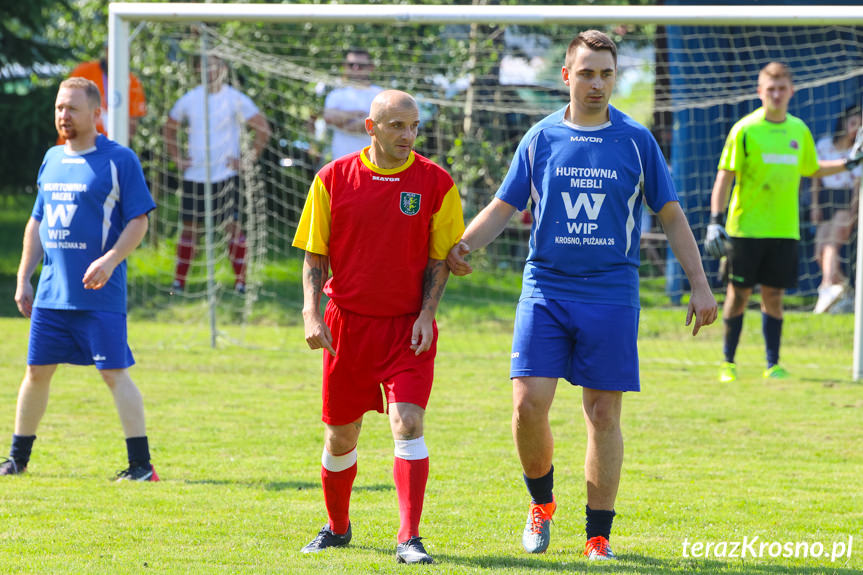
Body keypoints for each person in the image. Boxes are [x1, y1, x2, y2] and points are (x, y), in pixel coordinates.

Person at [447, 31, 717, 561]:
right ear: (566, 76)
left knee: (602, 415)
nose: (597, 83)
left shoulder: (638, 141)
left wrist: (700, 283)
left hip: (612, 294)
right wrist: (463, 244)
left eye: (606, 74)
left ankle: (598, 537)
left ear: (614, 78)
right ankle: (542, 504)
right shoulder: (541, 138)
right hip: (546, 288)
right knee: (528, 405)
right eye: (587, 72)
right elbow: (504, 206)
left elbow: (671, 214)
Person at [292, 90, 464, 564]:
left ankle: (409, 537)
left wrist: (428, 314)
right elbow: (314, 253)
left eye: (413, 127)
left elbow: (440, 258)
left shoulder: (436, 183)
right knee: (340, 436)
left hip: (407, 328)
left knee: (407, 424)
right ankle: (337, 527)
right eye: (396, 126)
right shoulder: (332, 179)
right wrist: (309, 312)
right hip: (346, 326)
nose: (407, 136)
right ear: (371, 127)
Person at [0, 78, 157, 481]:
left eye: (71, 108)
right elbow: (37, 222)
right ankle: (17, 459)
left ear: (96, 114)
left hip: (99, 295)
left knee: (113, 373)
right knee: (36, 372)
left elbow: (138, 221)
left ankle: (141, 467)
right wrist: (24, 279)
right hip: (53, 295)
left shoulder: (119, 160)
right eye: (58, 108)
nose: (63, 115)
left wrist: (110, 260)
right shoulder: (51, 158)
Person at [705, 63, 863, 383]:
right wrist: (714, 221)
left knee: (774, 297)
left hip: (784, 229)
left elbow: (813, 169)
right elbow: (725, 176)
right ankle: (728, 362)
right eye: (770, 89)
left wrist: (849, 162)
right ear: (759, 92)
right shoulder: (745, 129)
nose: (776, 94)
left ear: (792, 91)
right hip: (745, 229)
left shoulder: (798, 130)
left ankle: (772, 363)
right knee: (738, 294)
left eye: (782, 89)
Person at [164, 55, 271, 294]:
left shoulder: (235, 98)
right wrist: (177, 158)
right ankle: (179, 282)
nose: (210, 70)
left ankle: (241, 283)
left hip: (225, 176)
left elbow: (262, 128)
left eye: (215, 65)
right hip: (195, 176)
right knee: (189, 229)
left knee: (232, 227)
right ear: (197, 70)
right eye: (204, 65)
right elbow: (169, 128)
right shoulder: (190, 99)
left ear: (223, 69)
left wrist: (247, 160)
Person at [811, 105, 862, 313]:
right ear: (843, 122)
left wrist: (853, 212)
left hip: (845, 200)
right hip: (825, 200)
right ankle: (843, 290)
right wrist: (815, 205)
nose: (855, 129)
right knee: (819, 252)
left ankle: (826, 287)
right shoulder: (824, 145)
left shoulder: (857, 152)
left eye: (860, 126)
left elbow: (857, 188)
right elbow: (815, 175)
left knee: (832, 243)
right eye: (853, 123)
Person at [57, 44, 147, 144]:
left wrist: (115, 149)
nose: (119, 55)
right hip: (73, 145)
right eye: (115, 49)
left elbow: (132, 124)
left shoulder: (133, 82)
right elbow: (65, 107)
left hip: (108, 149)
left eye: (125, 51)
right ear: (106, 50)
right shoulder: (83, 71)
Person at [323, 49, 384, 160]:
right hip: (341, 163)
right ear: (345, 67)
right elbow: (329, 117)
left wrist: (344, 121)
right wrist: (360, 115)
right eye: (351, 65)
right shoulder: (336, 94)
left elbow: (382, 124)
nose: (356, 68)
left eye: (361, 65)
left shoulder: (381, 94)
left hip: (373, 163)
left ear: (371, 67)